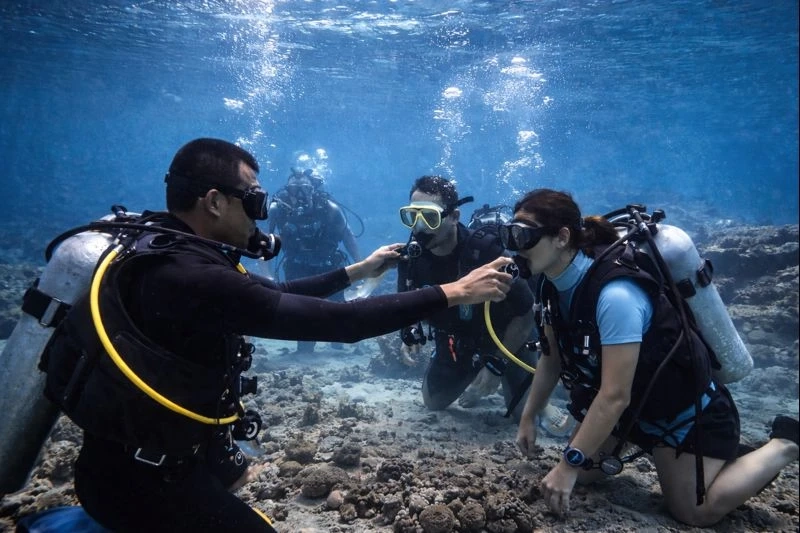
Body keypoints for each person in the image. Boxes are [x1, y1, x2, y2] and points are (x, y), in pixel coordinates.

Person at [47, 138, 515, 533]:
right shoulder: (192, 274)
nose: (263, 214)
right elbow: (340, 324)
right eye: (254, 200)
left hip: (138, 461)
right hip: (140, 481)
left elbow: (273, 293)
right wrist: (453, 292)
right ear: (214, 202)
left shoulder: (168, 248)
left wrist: (356, 270)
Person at [507, 188, 799, 526]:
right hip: (632, 414)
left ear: (561, 237)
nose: (515, 248)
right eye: (510, 235)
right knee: (582, 475)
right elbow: (552, 359)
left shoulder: (615, 295)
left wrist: (569, 465)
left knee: (693, 512)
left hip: (684, 415)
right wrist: (529, 416)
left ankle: (784, 444)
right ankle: (707, 463)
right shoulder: (550, 287)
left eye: (524, 236)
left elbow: (615, 395)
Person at [397, 175, 536, 419]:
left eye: (429, 217)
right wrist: (409, 333)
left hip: (505, 339)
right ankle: (471, 371)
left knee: (522, 414)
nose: (418, 228)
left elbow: (525, 314)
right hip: (459, 341)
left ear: (454, 216)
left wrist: (496, 365)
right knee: (434, 402)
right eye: (412, 216)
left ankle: (531, 369)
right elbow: (406, 305)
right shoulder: (412, 258)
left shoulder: (487, 252)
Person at [266, 167, 361, 353]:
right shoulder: (277, 210)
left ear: (313, 189)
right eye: (294, 189)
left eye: (305, 189)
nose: (300, 194)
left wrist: (361, 268)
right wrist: (267, 276)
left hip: (329, 265)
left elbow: (348, 236)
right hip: (297, 267)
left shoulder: (329, 208)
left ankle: (338, 344)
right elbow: (264, 241)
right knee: (300, 311)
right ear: (287, 191)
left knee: (338, 311)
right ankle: (305, 349)